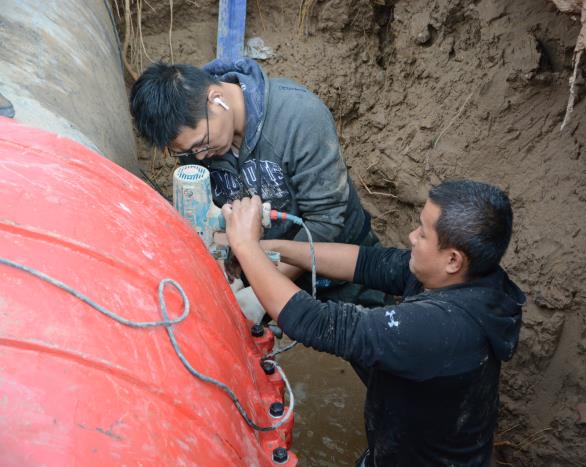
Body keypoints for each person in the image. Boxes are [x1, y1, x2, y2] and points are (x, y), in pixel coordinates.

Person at [222, 179, 526, 466]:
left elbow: (317, 322)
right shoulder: (466, 278)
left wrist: (246, 246)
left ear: (453, 260)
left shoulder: (440, 329)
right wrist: (270, 250)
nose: (412, 236)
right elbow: (366, 263)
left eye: (422, 233)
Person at [129, 58, 383, 305]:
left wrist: (264, 291)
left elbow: (326, 220)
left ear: (216, 99)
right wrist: (228, 260)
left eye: (202, 143)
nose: (200, 157)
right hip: (260, 269)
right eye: (187, 152)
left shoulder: (299, 118)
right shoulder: (195, 147)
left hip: (343, 271)